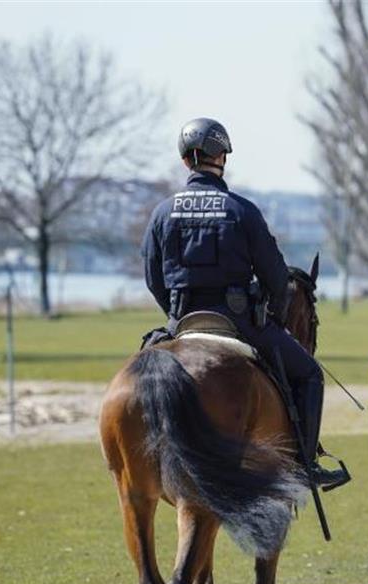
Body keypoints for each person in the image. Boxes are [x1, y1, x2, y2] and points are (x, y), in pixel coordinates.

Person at [141, 117, 349, 490]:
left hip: (181, 320)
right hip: (239, 321)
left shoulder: (161, 213)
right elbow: (274, 275)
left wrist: (174, 314)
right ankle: (305, 465)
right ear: (222, 157)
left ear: (186, 160)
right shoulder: (242, 211)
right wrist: (265, 309)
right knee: (310, 374)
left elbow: (153, 277)